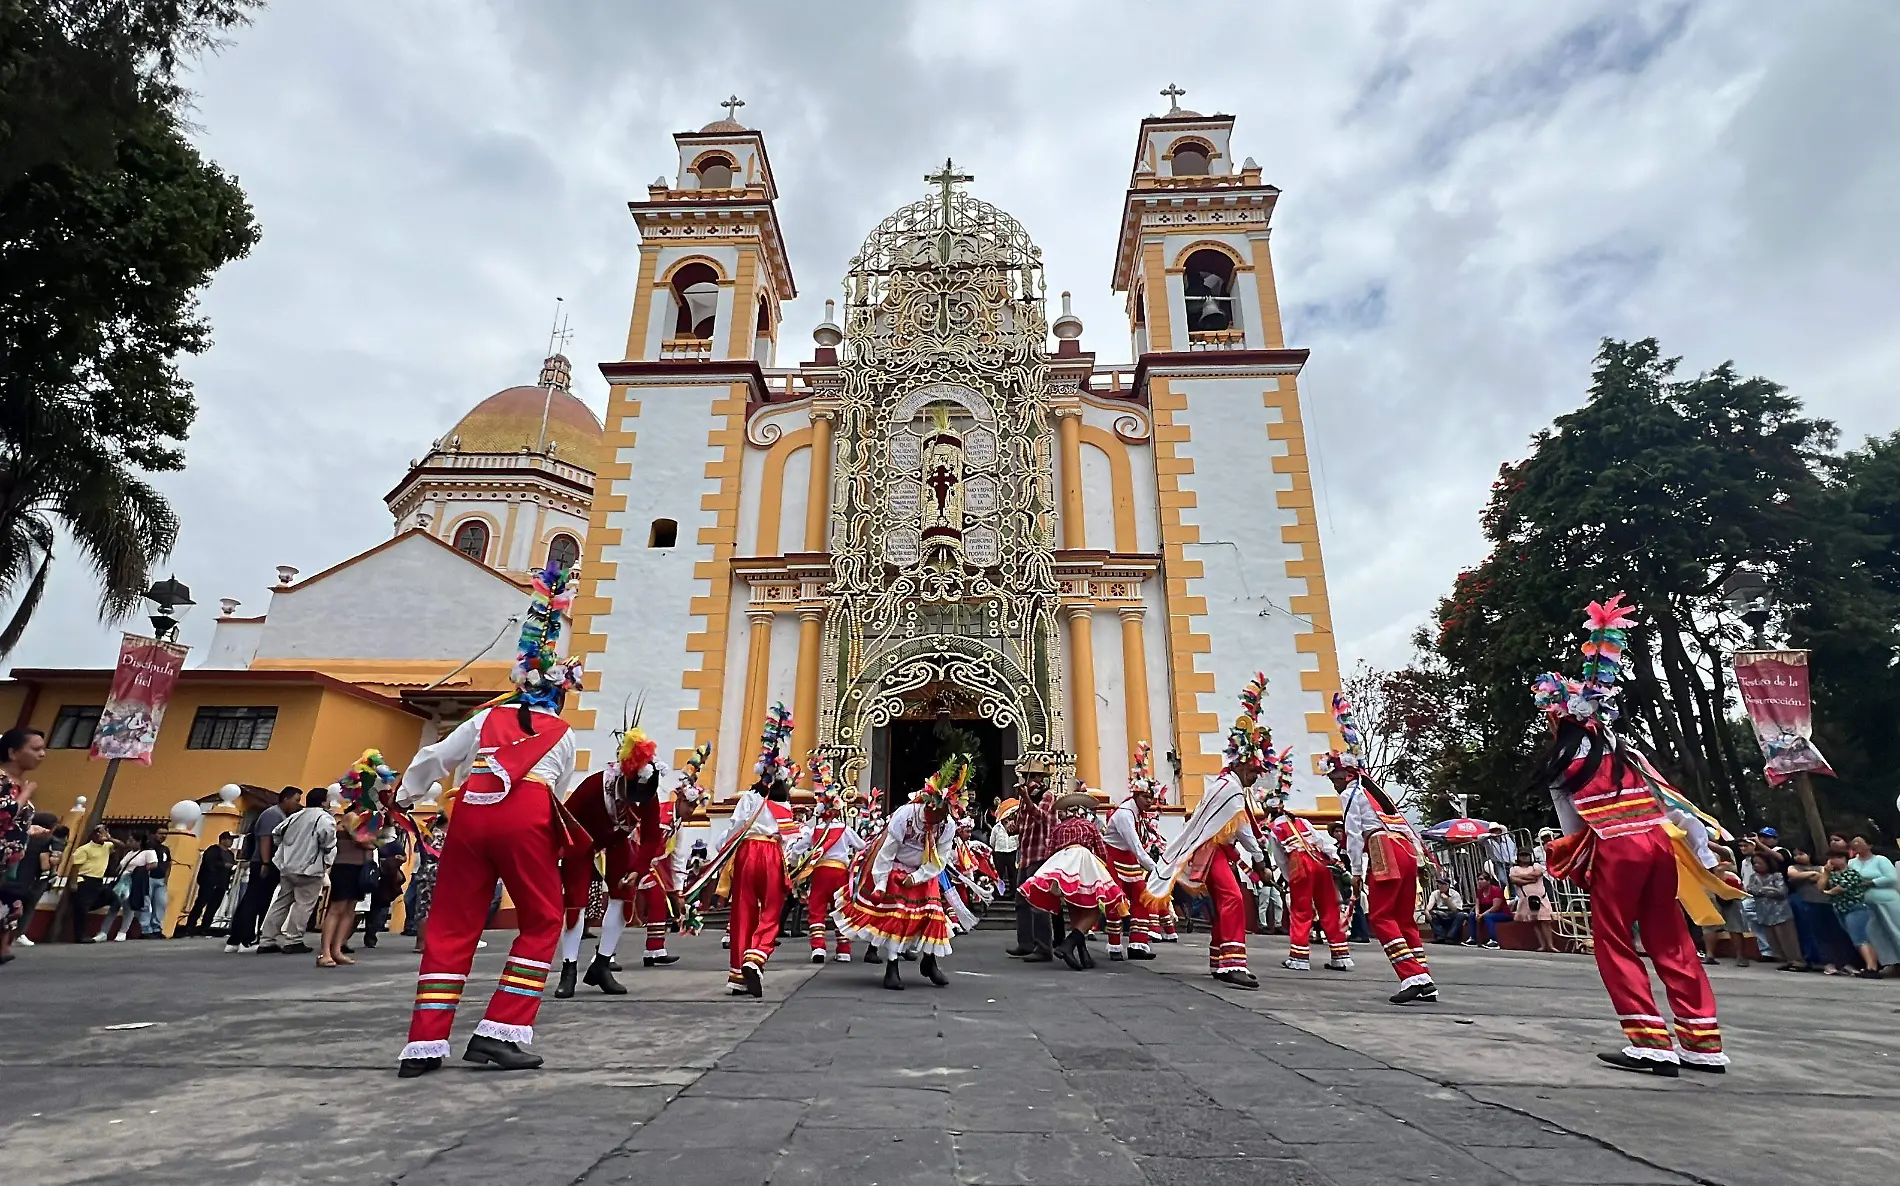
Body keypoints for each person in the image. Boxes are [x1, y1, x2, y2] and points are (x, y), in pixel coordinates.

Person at [392, 559, 585, 1077]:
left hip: (471, 815)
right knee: (543, 919)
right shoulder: (562, 735)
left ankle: (425, 1043)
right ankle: (499, 1031)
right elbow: (555, 792)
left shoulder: (485, 717)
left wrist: (406, 797)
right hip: (525, 818)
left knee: (453, 923)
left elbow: (434, 759)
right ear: (559, 690)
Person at [1531, 594, 1727, 1075]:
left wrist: (1570, 860)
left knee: (1615, 940)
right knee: (1672, 938)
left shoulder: (1564, 764)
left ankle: (1650, 1042)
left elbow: (1574, 828)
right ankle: (1702, 1043)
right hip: (1659, 844)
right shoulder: (1628, 754)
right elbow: (1675, 806)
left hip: (1615, 849)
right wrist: (1704, 854)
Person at [1144, 675, 1275, 989]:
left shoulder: (1229, 787)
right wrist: (1259, 861)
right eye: (1255, 772)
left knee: (1227, 902)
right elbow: (1241, 828)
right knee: (1231, 900)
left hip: (1217, 852)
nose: (1256, 778)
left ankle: (1221, 960)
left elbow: (1238, 827)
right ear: (1242, 766)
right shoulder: (1229, 790)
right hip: (1212, 852)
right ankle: (1231, 964)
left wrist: (1258, 861)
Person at [686, 706, 806, 998]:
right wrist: (795, 865)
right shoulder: (784, 805)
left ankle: (738, 975)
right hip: (770, 854)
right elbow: (791, 839)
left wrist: (721, 853)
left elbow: (732, 830)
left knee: (742, 912)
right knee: (771, 911)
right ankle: (756, 956)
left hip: (744, 854)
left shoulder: (748, 798)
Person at [1330, 693, 1435, 1005]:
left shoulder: (1351, 794)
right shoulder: (1377, 793)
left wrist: (1356, 873)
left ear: (1346, 774)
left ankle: (1413, 976)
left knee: (1380, 916)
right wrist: (1419, 860)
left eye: (1334, 777)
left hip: (1383, 850)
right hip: (1404, 850)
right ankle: (1425, 976)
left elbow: (1352, 836)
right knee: (1404, 919)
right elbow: (1403, 825)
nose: (1333, 783)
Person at [835, 755, 965, 990]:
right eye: (935, 814)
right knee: (898, 918)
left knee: (931, 916)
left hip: (924, 873)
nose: (937, 821)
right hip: (896, 869)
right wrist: (881, 883)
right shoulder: (905, 816)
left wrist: (917, 877)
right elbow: (886, 852)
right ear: (928, 804)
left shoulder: (948, 826)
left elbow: (941, 860)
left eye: (943, 815)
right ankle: (892, 967)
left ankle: (929, 962)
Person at [1260, 750, 1353, 971]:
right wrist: (1335, 860)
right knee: (1329, 907)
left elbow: (1281, 858)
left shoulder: (1275, 829)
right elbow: (1323, 843)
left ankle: (1299, 957)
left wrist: (1287, 878)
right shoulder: (1301, 821)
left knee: (1301, 910)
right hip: (1320, 864)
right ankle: (1340, 955)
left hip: (1300, 867)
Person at [1021, 790, 1129, 970]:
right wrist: (1103, 873)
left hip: (1063, 863)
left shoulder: (1058, 828)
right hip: (1084, 861)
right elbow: (1102, 852)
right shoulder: (1089, 826)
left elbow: (1049, 852)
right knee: (1092, 910)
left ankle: (1083, 954)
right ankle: (1068, 945)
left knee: (1075, 910)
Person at [799, 758, 863, 965]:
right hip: (840, 874)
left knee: (816, 910)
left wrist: (792, 862)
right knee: (842, 910)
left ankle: (818, 948)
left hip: (820, 873)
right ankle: (843, 950)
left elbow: (798, 848)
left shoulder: (814, 830)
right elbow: (862, 847)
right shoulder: (845, 830)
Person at [1101, 745, 1161, 962]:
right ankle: (1114, 945)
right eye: (1146, 797)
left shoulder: (1139, 814)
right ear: (1136, 795)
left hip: (1130, 860)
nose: (1150, 802)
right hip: (1114, 858)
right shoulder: (1125, 815)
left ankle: (1138, 943)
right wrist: (1157, 869)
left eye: (1151, 799)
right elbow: (1136, 846)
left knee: (1142, 897)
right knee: (1115, 900)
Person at [260, 786, 336, 955]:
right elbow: (328, 840)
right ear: (323, 801)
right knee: (304, 904)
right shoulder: (324, 818)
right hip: (309, 867)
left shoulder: (295, 816)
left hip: (288, 866)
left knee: (281, 902)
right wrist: (324, 852)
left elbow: (277, 833)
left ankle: (267, 940)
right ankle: (293, 939)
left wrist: (286, 850)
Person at [226, 787, 301, 952]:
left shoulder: (279, 815)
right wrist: (266, 863)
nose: (297, 804)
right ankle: (246, 939)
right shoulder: (272, 815)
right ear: (286, 798)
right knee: (255, 900)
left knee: (255, 899)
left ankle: (236, 939)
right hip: (263, 863)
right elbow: (265, 839)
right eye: (296, 800)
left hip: (266, 862)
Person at [1006, 759, 1057, 961]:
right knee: (1021, 902)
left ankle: (1044, 947)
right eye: (1025, 778)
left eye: (1030, 777)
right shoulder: (1025, 797)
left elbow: (1042, 818)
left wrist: (1027, 799)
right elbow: (1022, 823)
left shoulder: (1047, 795)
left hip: (1040, 854)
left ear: (1040, 778)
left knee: (1038, 903)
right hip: (1025, 855)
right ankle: (1025, 943)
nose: (1027, 781)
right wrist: (1013, 827)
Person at [320, 790, 372, 968]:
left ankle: (337, 949)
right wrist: (372, 838)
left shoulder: (369, 820)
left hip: (359, 866)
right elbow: (363, 840)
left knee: (350, 909)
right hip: (345, 866)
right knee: (337, 908)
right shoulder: (351, 816)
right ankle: (325, 951)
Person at [1786, 847, 1855, 973]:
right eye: (1795, 855)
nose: (1798, 857)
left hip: (1829, 903)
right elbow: (1795, 875)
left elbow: (1822, 879)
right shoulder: (1794, 867)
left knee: (1838, 934)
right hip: (1810, 903)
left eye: (1801, 853)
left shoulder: (1821, 867)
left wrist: (1816, 875)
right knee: (1819, 934)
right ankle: (1828, 963)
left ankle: (1845, 963)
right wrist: (1813, 874)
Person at [1819, 853, 1881, 977]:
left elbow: (1840, 888)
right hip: (1841, 909)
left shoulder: (1851, 873)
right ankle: (1871, 966)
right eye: (1832, 857)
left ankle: (1872, 968)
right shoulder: (1832, 874)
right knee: (1857, 938)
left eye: (1838, 857)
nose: (1834, 860)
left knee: (1860, 938)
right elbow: (1819, 886)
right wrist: (1825, 872)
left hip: (1855, 908)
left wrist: (1826, 892)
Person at [1741, 852, 1804, 971]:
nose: (1756, 866)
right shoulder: (1754, 877)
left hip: (1780, 912)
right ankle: (1786, 960)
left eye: (1759, 863)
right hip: (1764, 912)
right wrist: (1766, 890)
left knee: (1787, 937)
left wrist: (1762, 891)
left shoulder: (1777, 875)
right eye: (1754, 863)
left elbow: (1781, 892)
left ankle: (1797, 961)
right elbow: (1750, 889)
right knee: (1773, 939)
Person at [1846, 836, 1900, 971]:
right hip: (1866, 904)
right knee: (1877, 935)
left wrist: (1871, 882)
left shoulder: (1880, 860)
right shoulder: (1852, 863)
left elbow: (1892, 878)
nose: (1856, 844)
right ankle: (1892, 963)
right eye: (1854, 841)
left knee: (1895, 931)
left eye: (1859, 841)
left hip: (1887, 902)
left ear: (1869, 845)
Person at [69, 825, 117, 942]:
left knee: (114, 899)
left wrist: (110, 838)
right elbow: (75, 867)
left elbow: (122, 846)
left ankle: (88, 907)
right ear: (94, 834)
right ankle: (80, 936)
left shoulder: (107, 846)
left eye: (104, 832)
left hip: (98, 881)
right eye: (100, 833)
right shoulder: (84, 849)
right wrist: (73, 883)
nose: (102, 835)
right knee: (82, 910)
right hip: (85, 880)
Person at [185, 834, 237, 935]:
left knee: (213, 906)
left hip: (222, 883)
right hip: (209, 882)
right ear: (222, 840)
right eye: (229, 839)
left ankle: (205, 927)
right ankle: (190, 926)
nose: (231, 842)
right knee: (201, 903)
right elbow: (209, 863)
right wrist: (223, 865)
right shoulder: (213, 850)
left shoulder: (230, 854)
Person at [1509, 852, 1559, 953]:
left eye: (1527, 855)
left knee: (1545, 921)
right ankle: (1543, 945)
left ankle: (1550, 945)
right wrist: (1529, 879)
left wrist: (1521, 877)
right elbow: (1514, 879)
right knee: (1534, 922)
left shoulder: (1536, 866)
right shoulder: (1513, 869)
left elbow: (1537, 874)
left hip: (1541, 897)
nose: (1525, 857)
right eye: (1522, 855)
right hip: (1526, 898)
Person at [364, 839, 406, 949]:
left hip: (383, 877)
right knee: (376, 907)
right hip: (381, 876)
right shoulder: (392, 843)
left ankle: (370, 935)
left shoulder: (391, 843)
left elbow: (403, 857)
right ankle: (371, 935)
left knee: (375, 907)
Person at [1426, 877, 1475, 945]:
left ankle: (1450, 937)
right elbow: (1430, 905)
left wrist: (1447, 899)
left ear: (1448, 885)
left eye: (1443, 884)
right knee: (1432, 914)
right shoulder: (1435, 893)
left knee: (1461, 915)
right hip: (1441, 912)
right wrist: (1427, 912)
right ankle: (1441, 936)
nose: (1441, 886)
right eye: (1439, 884)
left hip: (1452, 912)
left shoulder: (1455, 894)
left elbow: (1455, 910)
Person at [989, 800, 1019, 898]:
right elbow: (992, 841)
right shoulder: (996, 827)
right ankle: (998, 892)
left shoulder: (1014, 826)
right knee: (999, 873)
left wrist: (1015, 847)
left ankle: (1013, 892)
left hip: (1011, 851)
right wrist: (996, 849)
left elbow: (1018, 839)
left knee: (1012, 872)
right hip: (999, 852)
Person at [1475, 870, 1511, 947]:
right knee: (1471, 915)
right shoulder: (1479, 891)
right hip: (1486, 912)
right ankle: (1473, 939)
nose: (1479, 881)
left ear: (1488, 881)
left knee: (1488, 917)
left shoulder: (1495, 890)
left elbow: (1495, 907)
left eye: (1482, 879)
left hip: (1502, 913)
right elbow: (1477, 904)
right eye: (1478, 879)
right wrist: (1477, 913)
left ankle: (1494, 940)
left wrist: (1482, 915)